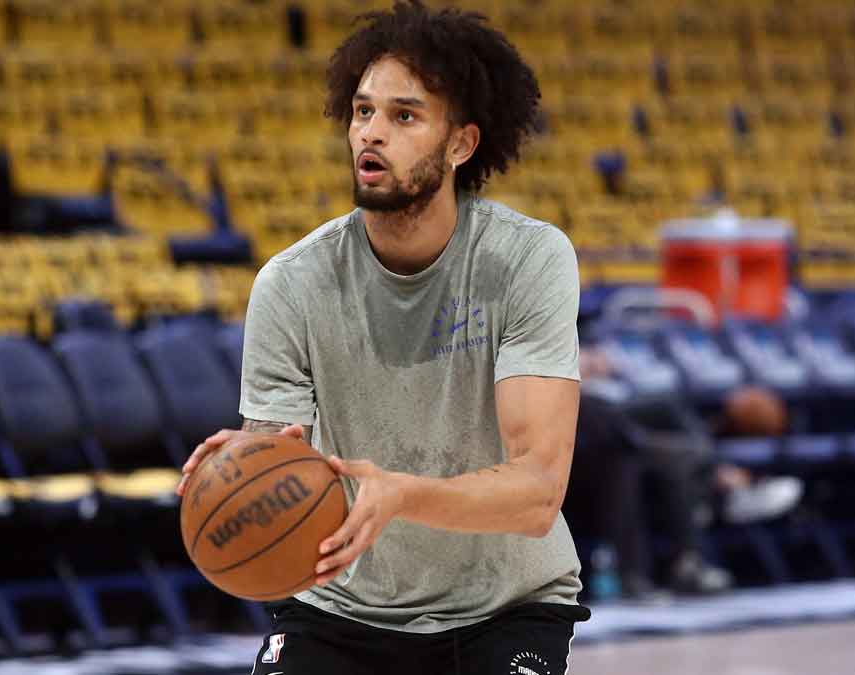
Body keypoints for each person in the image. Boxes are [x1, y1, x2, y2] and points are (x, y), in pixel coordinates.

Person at [175, 3, 589, 673]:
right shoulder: (290, 284)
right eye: (363, 111)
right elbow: (282, 465)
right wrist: (246, 464)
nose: (372, 132)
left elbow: (538, 491)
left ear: (460, 145)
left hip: (503, 606)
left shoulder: (526, 260)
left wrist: (401, 494)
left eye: (405, 116)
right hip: (338, 609)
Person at [565, 346, 802, 602]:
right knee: (654, 449)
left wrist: (597, 359)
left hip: (610, 416)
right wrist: (576, 366)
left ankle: (689, 554)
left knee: (662, 425)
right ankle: (722, 490)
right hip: (574, 418)